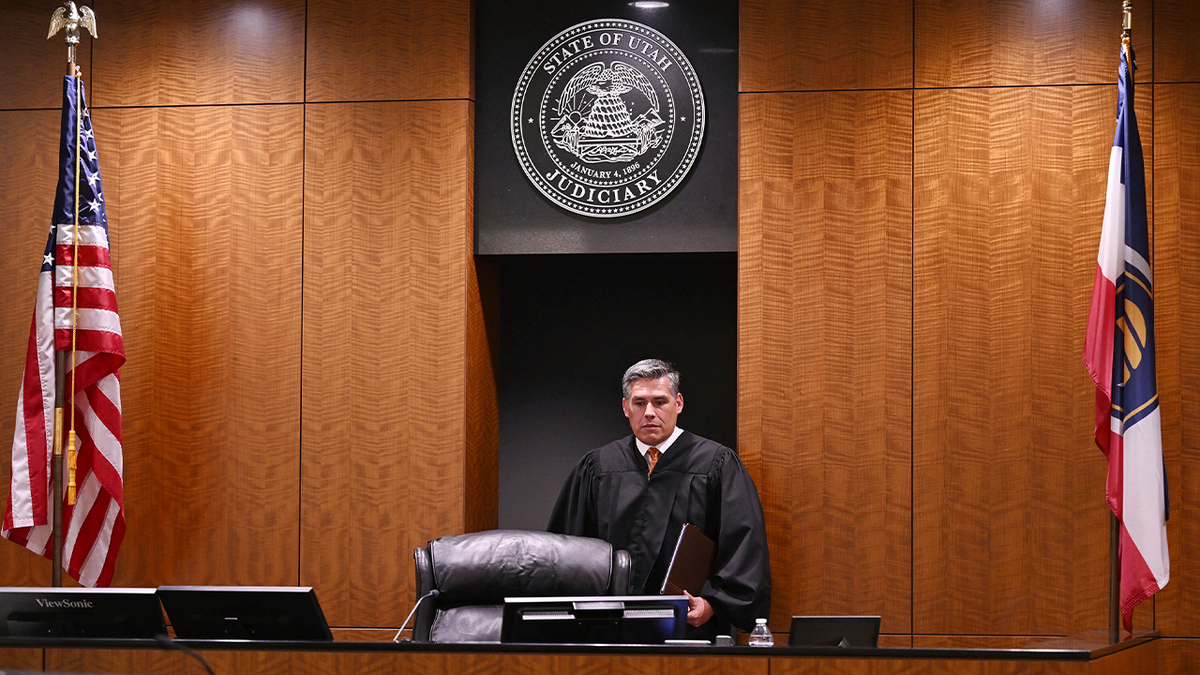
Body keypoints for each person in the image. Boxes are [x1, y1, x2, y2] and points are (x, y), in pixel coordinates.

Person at [547, 359, 771, 636]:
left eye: (659, 402)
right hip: (609, 627)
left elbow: (744, 543)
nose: (649, 412)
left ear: (678, 403)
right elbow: (567, 547)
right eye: (639, 403)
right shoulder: (598, 467)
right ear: (625, 407)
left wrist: (714, 603)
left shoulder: (715, 464)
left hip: (689, 623)